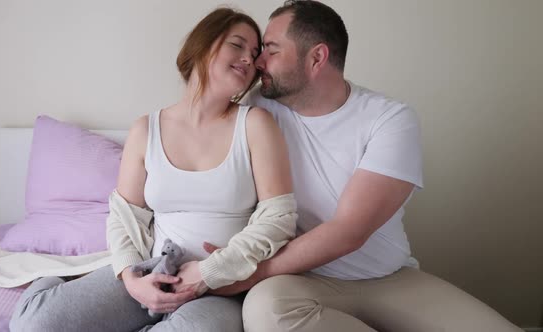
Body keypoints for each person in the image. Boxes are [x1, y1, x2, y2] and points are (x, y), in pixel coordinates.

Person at [202, 1, 522, 331]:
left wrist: (257, 271)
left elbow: (349, 231)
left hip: (389, 280)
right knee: (266, 309)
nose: (258, 61)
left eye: (271, 49)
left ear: (316, 57)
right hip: (300, 284)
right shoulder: (258, 109)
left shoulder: (389, 119)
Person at [9, 7, 297, 332]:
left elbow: (278, 219)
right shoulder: (147, 129)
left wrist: (210, 271)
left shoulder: (255, 124)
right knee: (35, 324)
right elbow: (124, 214)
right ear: (203, 46)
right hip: (152, 272)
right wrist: (132, 278)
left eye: (255, 53)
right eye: (238, 45)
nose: (250, 58)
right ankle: (53, 284)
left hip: (219, 288)